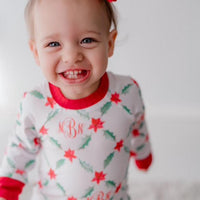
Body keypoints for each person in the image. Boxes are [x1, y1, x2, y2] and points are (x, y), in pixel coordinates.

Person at [0, 0, 153, 199]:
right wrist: (8, 187)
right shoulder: (36, 103)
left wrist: (142, 151)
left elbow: (138, 124)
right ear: (36, 53)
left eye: (87, 40)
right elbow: (19, 148)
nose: (71, 56)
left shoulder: (126, 92)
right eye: (54, 44)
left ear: (109, 43)